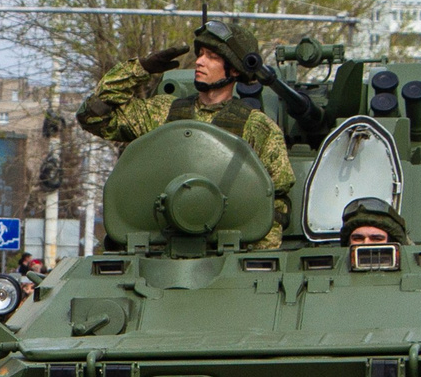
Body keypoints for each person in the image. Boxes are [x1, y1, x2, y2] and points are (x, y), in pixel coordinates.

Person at [75, 20, 296, 250]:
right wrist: (141, 68)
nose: (199, 61)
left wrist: (252, 265)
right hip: (159, 251)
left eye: (212, 56)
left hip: (227, 254)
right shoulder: (162, 114)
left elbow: (275, 204)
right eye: (200, 54)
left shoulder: (258, 128)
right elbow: (93, 115)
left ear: (234, 68)